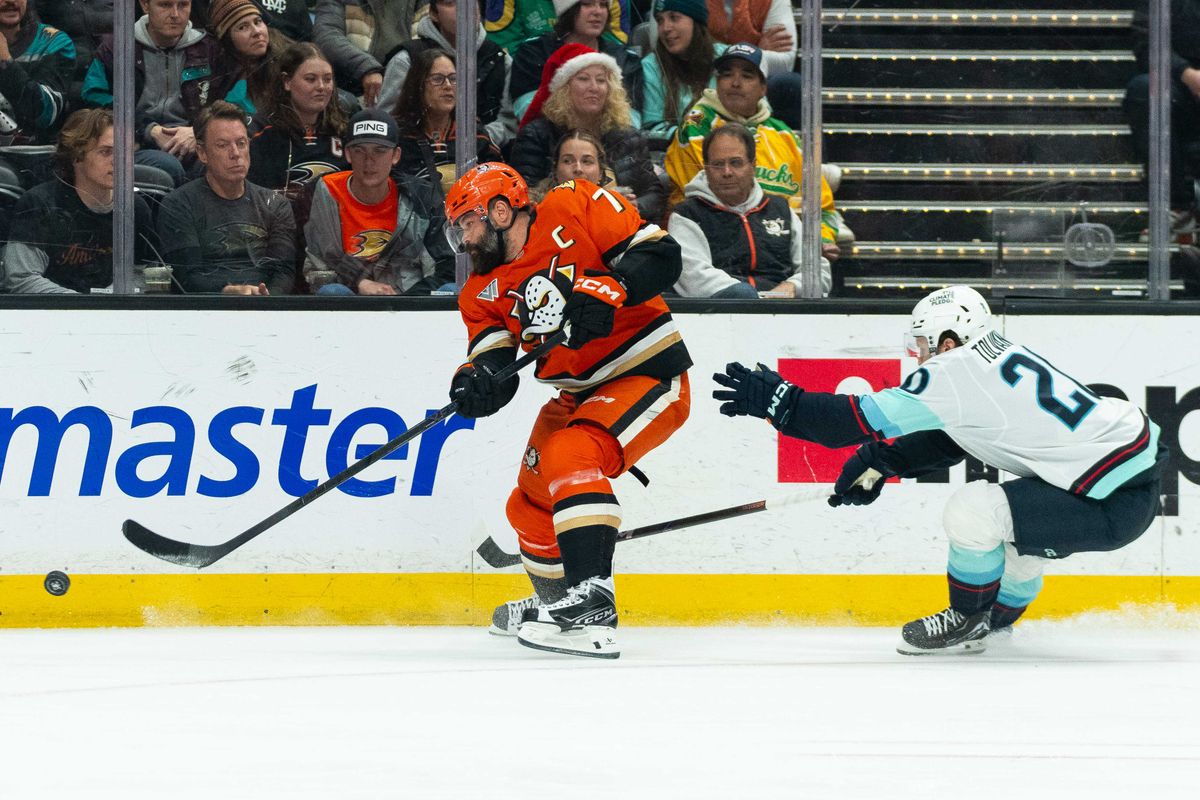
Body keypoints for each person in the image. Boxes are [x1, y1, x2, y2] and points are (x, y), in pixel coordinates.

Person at [712, 285, 1167, 655]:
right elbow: (955, 436)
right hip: (1130, 483)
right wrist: (884, 459)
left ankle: (967, 619)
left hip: (1107, 500)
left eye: (924, 345)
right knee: (1014, 535)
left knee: (973, 511)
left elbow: (847, 422)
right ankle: (994, 622)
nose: (919, 357)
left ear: (948, 341)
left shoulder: (952, 369)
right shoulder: (996, 354)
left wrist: (781, 403)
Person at [444, 162, 691, 658]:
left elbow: (661, 254)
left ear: (499, 210)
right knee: (528, 504)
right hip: (576, 393)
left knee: (570, 455)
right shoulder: (478, 292)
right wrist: (475, 384)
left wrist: (613, 288)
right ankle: (558, 604)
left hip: (644, 370)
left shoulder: (572, 203)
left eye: (467, 224)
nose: (464, 240)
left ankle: (594, 599)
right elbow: (495, 363)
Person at [665, 42, 838, 250]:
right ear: (717, 81)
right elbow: (711, 200)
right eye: (727, 74)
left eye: (747, 76)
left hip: (782, 245)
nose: (735, 83)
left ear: (763, 88)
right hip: (714, 242)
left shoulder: (784, 134)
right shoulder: (696, 126)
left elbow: (822, 205)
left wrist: (823, 239)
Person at [82, 0, 244, 187]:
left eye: (183, 5)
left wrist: (201, 130)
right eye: (165, 5)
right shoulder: (116, 48)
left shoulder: (210, 49)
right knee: (168, 167)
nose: (175, 14)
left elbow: (236, 101)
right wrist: (148, 129)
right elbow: (93, 98)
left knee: (220, 163)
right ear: (145, 5)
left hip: (194, 139)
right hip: (135, 143)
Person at [2, 108, 156, 293]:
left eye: (125, 152)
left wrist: (114, 297)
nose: (118, 161)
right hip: (52, 315)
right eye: (106, 152)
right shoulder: (40, 203)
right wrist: (83, 305)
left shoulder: (135, 207)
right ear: (76, 156)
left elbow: (145, 272)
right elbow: (21, 278)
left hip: (116, 314)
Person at [303, 108, 454, 295]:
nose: (369, 161)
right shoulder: (326, 190)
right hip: (351, 301)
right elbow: (320, 265)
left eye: (380, 151)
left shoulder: (421, 196)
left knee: (450, 290)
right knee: (332, 292)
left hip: (409, 303)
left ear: (396, 156)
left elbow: (448, 266)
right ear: (348, 154)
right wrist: (359, 282)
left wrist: (407, 299)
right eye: (360, 151)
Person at [669, 124, 828, 298]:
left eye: (735, 163)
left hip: (785, 313)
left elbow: (817, 270)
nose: (727, 172)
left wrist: (793, 287)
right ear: (706, 169)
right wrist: (752, 300)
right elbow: (694, 278)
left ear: (753, 166)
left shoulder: (781, 209)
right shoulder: (686, 215)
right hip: (721, 315)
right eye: (717, 164)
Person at [510, 43, 663, 222]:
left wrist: (636, 206)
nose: (594, 87)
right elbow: (523, 199)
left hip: (623, 232)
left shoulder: (628, 137)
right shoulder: (537, 136)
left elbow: (654, 195)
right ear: (564, 88)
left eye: (601, 80)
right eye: (583, 79)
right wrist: (590, 205)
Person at [157, 100, 296, 293]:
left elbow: (284, 272)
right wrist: (228, 291)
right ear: (202, 153)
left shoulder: (275, 205)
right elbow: (186, 277)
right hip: (205, 312)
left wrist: (267, 302)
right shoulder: (178, 204)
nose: (236, 154)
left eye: (241, 143)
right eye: (222, 145)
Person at [378, 0, 514, 148]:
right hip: (413, 154)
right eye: (450, 3)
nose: (463, 10)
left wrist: (477, 139)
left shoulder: (500, 59)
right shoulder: (407, 59)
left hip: (484, 156)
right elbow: (386, 122)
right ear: (434, 14)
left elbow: (509, 125)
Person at [1123, 0, 1200, 238]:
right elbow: (1146, 40)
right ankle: (1176, 207)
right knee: (1144, 90)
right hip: (1182, 89)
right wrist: (1187, 74)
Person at [507, 0, 641, 126]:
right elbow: (527, 110)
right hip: (550, 142)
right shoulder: (534, 51)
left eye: (603, 5)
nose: (598, 11)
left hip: (609, 143)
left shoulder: (625, 58)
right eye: (587, 4)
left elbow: (631, 121)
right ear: (568, 9)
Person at [391, 48, 501, 198]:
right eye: (437, 79)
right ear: (418, 85)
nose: (448, 85)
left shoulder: (473, 131)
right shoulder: (397, 133)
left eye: (453, 78)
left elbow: (498, 179)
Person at [639, 0, 724, 146]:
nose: (665, 28)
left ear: (696, 21)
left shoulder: (726, 58)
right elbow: (652, 129)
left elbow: (759, 110)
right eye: (660, 20)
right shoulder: (651, 66)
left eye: (674, 18)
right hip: (677, 153)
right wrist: (692, 132)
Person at [312, 0, 427, 108]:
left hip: (412, 88)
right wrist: (367, 67)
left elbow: (433, 41)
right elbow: (327, 37)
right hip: (355, 90)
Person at [0, 0, 75, 151]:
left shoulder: (54, 42)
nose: (11, 1)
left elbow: (45, 113)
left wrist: (5, 60)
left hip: (32, 154)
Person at [208, 0, 288, 114]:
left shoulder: (289, 60)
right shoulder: (226, 86)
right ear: (227, 39)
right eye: (243, 27)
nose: (257, 31)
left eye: (258, 22)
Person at [484, 0, 630, 53]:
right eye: (587, 4)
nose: (598, 10)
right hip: (533, 74)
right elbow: (502, 47)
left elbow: (614, 48)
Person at [528, 128, 611, 200]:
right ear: (555, 169)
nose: (578, 169)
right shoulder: (533, 210)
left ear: (600, 172)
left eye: (586, 161)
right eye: (568, 161)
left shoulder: (617, 210)